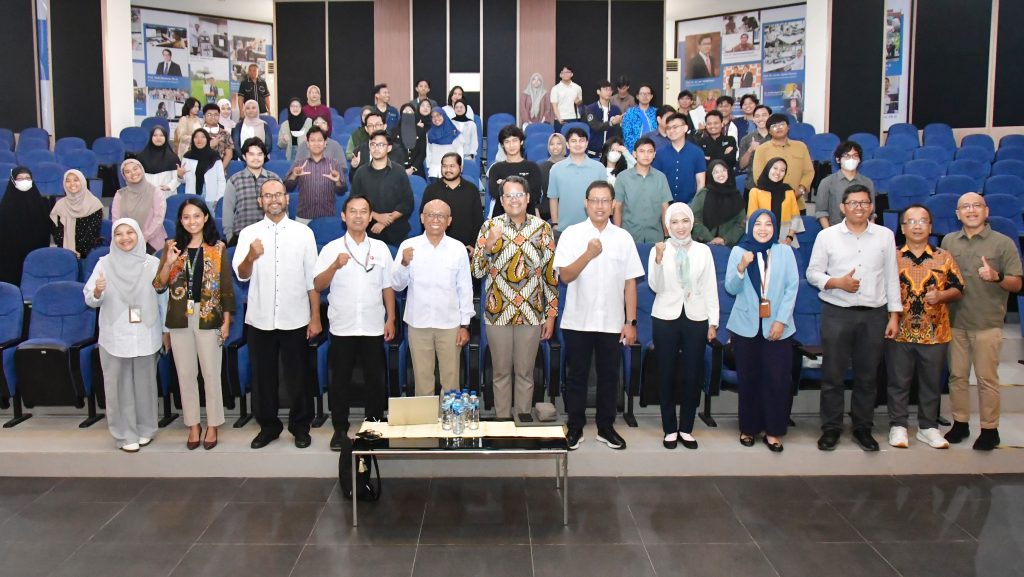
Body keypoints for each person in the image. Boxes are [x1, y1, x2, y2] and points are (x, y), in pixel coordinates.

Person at [806, 185, 901, 452]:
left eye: (864, 203)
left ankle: (863, 427)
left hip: (874, 315)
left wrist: (894, 315)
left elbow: (891, 278)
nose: (859, 207)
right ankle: (831, 428)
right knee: (833, 375)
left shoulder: (885, 236)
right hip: (837, 312)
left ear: (871, 207)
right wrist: (836, 282)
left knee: (867, 376)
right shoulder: (827, 236)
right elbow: (813, 273)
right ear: (842, 207)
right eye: (853, 203)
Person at [232, 179, 322, 449]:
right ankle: (268, 427)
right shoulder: (248, 234)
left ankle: (300, 427)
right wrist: (250, 256)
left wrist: (315, 316)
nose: (274, 199)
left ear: (287, 199)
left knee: (298, 376)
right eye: (268, 195)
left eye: (278, 195)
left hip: (296, 316)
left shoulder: (303, 233)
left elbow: (312, 279)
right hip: (260, 318)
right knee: (263, 377)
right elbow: (242, 275)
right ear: (260, 201)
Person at [554, 181, 643, 450]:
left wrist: (630, 322)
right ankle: (575, 426)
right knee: (577, 376)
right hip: (578, 320)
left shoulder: (623, 238)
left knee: (609, 377)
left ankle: (606, 427)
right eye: (594, 200)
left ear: (613, 205)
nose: (600, 206)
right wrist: (588, 254)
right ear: (586, 203)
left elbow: (630, 283)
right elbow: (565, 276)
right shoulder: (571, 234)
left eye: (605, 201)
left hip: (612, 321)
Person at [941, 192, 1024, 450]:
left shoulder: (1003, 243)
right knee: (957, 377)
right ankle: (960, 423)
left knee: (987, 379)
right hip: (955, 321)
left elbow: (1017, 283)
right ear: (958, 214)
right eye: (965, 207)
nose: (971, 210)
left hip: (987, 323)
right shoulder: (948, 241)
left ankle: (990, 429)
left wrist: (996, 276)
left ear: (986, 211)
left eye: (976, 205)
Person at [313, 196, 397, 449]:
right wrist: (334, 266)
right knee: (340, 380)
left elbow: (388, 286)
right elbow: (317, 285)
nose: (358, 216)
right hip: (343, 325)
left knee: (375, 379)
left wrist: (391, 318)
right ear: (343, 216)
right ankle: (340, 428)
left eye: (363, 212)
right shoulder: (331, 249)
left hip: (373, 324)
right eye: (353, 211)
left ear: (370, 216)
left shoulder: (380, 249)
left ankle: (374, 426)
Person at [471, 176, 557, 419]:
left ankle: (522, 420)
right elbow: (476, 272)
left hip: (531, 312)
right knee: (500, 373)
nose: (514, 200)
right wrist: (489, 245)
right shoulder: (490, 227)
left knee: (525, 373)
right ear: (501, 200)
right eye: (508, 195)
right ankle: (502, 420)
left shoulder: (542, 229)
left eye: (519, 194)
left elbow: (550, 275)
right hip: (497, 312)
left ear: (528, 198)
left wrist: (550, 315)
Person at [154, 198, 234, 451]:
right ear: (180, 220)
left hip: (208, 315)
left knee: (211, 373)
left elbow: (226, 287)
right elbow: (158, 285)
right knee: (186, 374)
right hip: (179, 317)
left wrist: (226, 321)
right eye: (186, 217)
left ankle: (213, 424)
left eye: (197, 216)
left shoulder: (217, 248)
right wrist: (168, 262)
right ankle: (193, 424)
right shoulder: (172, 247)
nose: (192, 221)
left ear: (206, 217)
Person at [886, 205, 964, 450]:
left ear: (930, 227)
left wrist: (941, 295)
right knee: (898, 382)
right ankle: (898, 425)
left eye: (923, 221)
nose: (917, 226)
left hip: (935, 332)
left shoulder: (944, 256)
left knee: (931, 383)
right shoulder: (892, 257)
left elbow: (958, 288)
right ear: (902, 228)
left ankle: (928, 427)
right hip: (899, 330)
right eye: (911, 221)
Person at [725, 209, 800, 452]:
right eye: (758, 223)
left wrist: (781, 321)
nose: (763, 228)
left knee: (777, 380)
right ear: (750, 227)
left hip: (778, 327)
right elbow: (731, 288)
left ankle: (773, 431)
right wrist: (741, 267)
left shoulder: (784, 251)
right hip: (745, 327)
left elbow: (792, 287)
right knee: (749, 379)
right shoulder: (739, 251)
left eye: (768, 224)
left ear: (775, 228)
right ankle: (748, 428)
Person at [84, 218, 161, 452]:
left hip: (146, 331)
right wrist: (98, 291)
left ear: (139, 235)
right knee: (118, 386)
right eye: (119, 234)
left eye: (130, 232)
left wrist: (166, 331)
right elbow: (90, 298)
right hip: (115, 334)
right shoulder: (104, 264)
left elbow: (164, 298)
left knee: (146, 385)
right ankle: (125, 434)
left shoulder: (152, 263)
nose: (125, 238)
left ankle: (146, 429)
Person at [648, 203, 719, 449]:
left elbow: (710, 287)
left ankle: (686, 428)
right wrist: (658, 260)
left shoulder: (703, 251)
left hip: (696, 317)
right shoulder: (659, 249)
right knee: (665, 372)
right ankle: (669, 428)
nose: (680, 226)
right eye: (674, 222)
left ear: (692, 223)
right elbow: (655, 286)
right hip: (665, 316)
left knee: (693, 373)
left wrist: (713, 321)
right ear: (668, 226)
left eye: (685, 221)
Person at [393, 199, 475, 394]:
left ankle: (449, 415)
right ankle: (425, 415)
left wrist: (465, 325)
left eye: (441, 216)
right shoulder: (408, 246)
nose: (435, 219)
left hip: (450, 325)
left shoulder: (458, 249)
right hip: (418, 323)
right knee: (422, 381)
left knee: (451, 381)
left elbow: (465, 288)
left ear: (449, 221)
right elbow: (396, 285)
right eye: (430, 215)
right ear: (422, 218)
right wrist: (404, 263)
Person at [351, 130, 414, 247]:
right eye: (373, 144)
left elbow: (407, 202)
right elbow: (354, 202)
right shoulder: (360, 173)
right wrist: (377, 216)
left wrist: (385, 222)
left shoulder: (399, 171)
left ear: (389, 148)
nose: (376, 148)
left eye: (381, 145)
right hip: (369, 230)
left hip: (397, 231)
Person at [612, 137, 671, 243]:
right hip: (629, 236)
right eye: (642, 151)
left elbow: (665, 208)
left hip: (655, 236)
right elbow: (617, 207)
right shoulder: (623, 177)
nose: (646, 155)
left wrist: (667, 235)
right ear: (634, 154)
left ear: (654, 154)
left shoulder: (661, 177)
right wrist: (617, 234)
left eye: (650, 151)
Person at [547, 127, 606, 232]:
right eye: (573, 141)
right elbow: (553, 198)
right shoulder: (556, 169)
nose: (578, 144)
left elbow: (605, 198)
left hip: (594, 227)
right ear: (567, 144)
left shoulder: (599, 168)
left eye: (581, 141)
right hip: (564, 229)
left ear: (587, 143)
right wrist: (555, 224)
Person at [751, 113, 813, 213]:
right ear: (769, 131)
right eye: (774, 126)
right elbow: (758, 177)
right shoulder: (762, 149)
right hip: (770, 204)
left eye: (781, 124)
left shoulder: (801, 147)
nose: (778, 128)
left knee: (797, 224)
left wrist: (800, 191)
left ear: (788, 127)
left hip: (797, 203)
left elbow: (808, 172)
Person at [0, 167, 52, 285]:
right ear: (13, 181)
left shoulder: (42, 204)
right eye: (20, 178)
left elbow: (45, 230)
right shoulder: (4, 206)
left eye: (28, 178)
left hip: (35, 250)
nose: (25, 181)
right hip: (11, 255)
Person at [223, 138, 280, 243]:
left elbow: (283, 207)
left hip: (270, 236)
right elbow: (228, 211)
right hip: (241, 237)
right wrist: (229, 236)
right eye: (251, 154)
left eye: (259, 154)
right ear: (244, 156)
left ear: (264, 156)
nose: (256, 158)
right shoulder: (234, 180)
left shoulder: (275, 179)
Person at [420, 152, 482, 249]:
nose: (448, 170)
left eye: (452, 166)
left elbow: (478, 220)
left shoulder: (471, 190)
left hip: (465, 246)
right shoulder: (431, 190)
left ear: (461, 168)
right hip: (437, 245)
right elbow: (424, 218)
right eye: (444, 166)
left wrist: (473, 245)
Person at [285, 126, 345, 224]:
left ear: (325, 143)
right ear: (307, 144)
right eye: (312, 140)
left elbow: (342, 191)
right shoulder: (299, 164)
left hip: (327, 216)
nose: (316, 143)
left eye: (320, 140)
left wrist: (337, 181)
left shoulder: (334, 164)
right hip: (303, 217)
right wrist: (294, 175)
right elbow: (287, 188)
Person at [815, 141, 876, 228]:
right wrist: (829, 233)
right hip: (835, 230)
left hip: (862, 230)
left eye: (855, 155)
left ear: (859, 160)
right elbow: (821, 213)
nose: (851, 159)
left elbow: (871, 213)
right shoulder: (827, 182)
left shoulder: (867, 182)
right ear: (838, 159)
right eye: (847, 156)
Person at [488, 125, 544, 217]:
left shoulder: (533, 167)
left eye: (515, 140)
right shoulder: (495, 168)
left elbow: (535, 195)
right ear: (502, 145)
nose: (511, 145)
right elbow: (495, 193)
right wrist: (523, 187)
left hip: (527, 217)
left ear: (521, 142)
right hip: (501, 218)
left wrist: (504, 184)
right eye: (507, 142)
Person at [112, 159, 167, 253]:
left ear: (141, 169)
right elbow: (116, 220)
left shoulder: (155, 191)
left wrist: (143, 238)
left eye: (135, 169)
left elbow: (158, 219)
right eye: (128, 172)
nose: (133, 173)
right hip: (126, 240)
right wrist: (126, 238)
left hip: (151, 240)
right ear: (124, 176)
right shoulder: (120, 194)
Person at [747, 158, 804, 246]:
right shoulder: (755, 192)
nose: (778, 172)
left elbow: (796, 217)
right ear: (768, 168)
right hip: (761, 240)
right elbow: (751, 220)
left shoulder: (788, 191)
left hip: (786, 241)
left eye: (782, 170)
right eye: (775, 168)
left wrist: (789, 238)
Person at [652, 113, 707, 204]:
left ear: (685, 128)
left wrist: (695, 205)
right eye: (668, 128)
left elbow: (701, 183)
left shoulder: (697, 152)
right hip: (664, 204)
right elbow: (656, 182)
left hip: (690, 204)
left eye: (675, 127)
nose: (671, 130)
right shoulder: (659, 153)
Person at [51, 169, 103, 259]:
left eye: (76, 180)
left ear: (82, 182)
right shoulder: (60, 205)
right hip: (65, 252)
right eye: (68, 181)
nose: (72, 184)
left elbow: (92, 232)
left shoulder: (94, 204)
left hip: (88, 252)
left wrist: (80, 251)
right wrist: (67, 252)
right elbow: (57, 233)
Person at [691, 160, 745, 246]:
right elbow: (695, 219)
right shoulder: (703, 194)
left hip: (728, 245)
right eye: (716, 172)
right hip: (703, 243)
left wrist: (725, 240)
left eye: (723, 170)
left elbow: (741, 223)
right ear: (710, 175)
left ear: (728, 172)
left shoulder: (736, 195)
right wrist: (710, 238)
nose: (720, 174)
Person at [181, 129, 225, 206]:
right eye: (196, 137)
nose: (199, 139)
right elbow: (184, 181)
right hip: (192, 197)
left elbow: (221, 179)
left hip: (211, 199)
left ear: (207, 139)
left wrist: (218, 198)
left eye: (203, 137)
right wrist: (180, 175)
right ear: (193, 139)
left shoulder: (214, 156)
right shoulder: (187, 156)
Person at [137, 125, 185, 196]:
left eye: (161, 135)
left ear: (166, 138)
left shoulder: (173, 158)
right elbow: (138, 178)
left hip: (166, 194)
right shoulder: (141, 157)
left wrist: (169, 186)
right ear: (150, 137)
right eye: (155, 135)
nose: (158, 138)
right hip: (146, 194)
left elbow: (177, 179)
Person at [737, 104, 771, 192]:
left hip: (774, 186)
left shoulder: (777, 137)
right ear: (754, 119)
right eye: (757, 116)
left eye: (764, 115)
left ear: (770, 117)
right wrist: (750, 150)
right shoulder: (746, 139)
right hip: (752, 186)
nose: (761, 119)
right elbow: (741, 165)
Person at [584, 81, 623, 155]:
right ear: (598, 91)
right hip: (593, 153)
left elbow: (619, 131)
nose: (608, 92)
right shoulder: (590, 108)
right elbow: (596, 126)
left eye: (610, 90)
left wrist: (621, 122)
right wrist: (612, 123)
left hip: (611, 153)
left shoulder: (616, 109)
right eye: (605, 89)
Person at [392, 103, 427, 177]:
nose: (407, 113)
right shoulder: (394, 131)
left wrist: (413, 168)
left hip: (417, 169)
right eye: (405, 111)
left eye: (410, 111)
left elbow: (422, 152)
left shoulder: (420, 131)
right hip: (399, 169)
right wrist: (400, 168)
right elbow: (393, 152)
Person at [425, 107, 460, 180]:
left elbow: (459, 151)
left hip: (450, 170)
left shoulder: (453, 132)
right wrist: (429, 167)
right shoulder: (430, 134)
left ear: (444, 115)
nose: (436, 118)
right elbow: (429, 152)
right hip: (434, 171)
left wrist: (460, 165)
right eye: (433, 116)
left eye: (438, 115)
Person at [621, 84, 657, 152]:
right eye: (642, 94)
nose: (645, 96)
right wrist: (638, 150)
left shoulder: (656, 112)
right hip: (634, 151)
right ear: (637, 96)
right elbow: (627, 135)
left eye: (648, 94)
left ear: (651, 96)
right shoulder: (630, 112)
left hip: (653, 150)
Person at [200, 103, 234, 171]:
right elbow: (193, 153)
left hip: (220, 170)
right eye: (209, 114)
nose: (213, 117)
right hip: (200, 170)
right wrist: (209, 145)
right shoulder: (198, 134)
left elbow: (229, 155)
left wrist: (220, 171)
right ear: (204, 117)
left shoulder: (225, 133)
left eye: (216, 115)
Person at [278, 97, 311, 163]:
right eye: (292, 106)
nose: (295, 108)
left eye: (297, 106)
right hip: (291, 154)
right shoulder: (284, 124)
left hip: (306, 153)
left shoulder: (309, 121)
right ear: (289, 108)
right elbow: (280, 145)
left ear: (301, 108)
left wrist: (309, 140)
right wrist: (284, 140)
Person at [550, 65, 583, 131]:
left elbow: (580, 103)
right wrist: (560, 119)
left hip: (574, 118)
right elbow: (554, 106)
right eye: (563, 72)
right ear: (560, 75)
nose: (565, 74)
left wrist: (579, 102)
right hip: (561, 119)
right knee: (561, 137)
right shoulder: (555, 88)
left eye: (568, 72)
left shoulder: (577, 87)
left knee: (574, 137)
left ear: (572, 74)